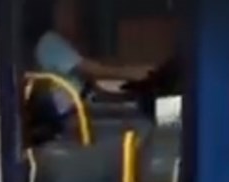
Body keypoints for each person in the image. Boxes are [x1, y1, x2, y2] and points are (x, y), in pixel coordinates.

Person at [25, 10, 155, 117]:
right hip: (70, 112)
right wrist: (133, 73)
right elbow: (93, 70)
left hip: (83, 103)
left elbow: (93, 76)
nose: (75, 17)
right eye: (67, 9)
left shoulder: (65, 41)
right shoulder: (50, 41)